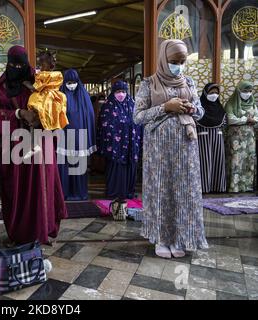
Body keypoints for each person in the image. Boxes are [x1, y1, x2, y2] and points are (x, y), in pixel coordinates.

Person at [133, 39, 208, 259]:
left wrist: (192, 108)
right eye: (174, 61)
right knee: (161, 191)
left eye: (182, 61)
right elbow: (137, 117)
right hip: (159, 150)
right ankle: (161, 239)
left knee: (183, 192)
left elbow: (201, 112)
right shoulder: (149, 83)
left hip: (186, 148)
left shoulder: (189, 82)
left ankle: (179, 238)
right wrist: (166, 107)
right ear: (164, 59)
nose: (178, 65)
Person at [0, 45, 67, 245]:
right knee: (17, 188)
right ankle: (20, 233)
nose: (16, 67)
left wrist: (41, 117)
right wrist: (19, 114)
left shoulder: (40, 80)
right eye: (12, 64)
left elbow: (56, 103)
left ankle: (43, 229)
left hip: (40, 142)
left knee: (42, 186)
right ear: (7, 64)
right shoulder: (0, 89)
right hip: (14, 145)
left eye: (20, 64)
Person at [97, 80, 142, 205]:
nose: (121, 94)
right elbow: (104, 125)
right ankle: (114, 191)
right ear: (113, 92)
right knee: (115, 167)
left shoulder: (132, 104)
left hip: (130, 145)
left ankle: (129, 191)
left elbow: (138, 122)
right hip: (114, 146)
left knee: (129, 167)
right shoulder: (108, 105)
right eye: (118, 91)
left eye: (123, 91)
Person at [58, 69, 96, 201]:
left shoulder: (84, 96)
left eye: (74, 82)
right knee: (64, 166)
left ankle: (79, 193)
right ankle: (64, 193)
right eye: (68, 82)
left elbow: (90, 117)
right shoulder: (59, 96)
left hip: (80, 138)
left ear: (78, 82)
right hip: (63, 138)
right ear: (64, 83)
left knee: (79, 167)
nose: (71, 85)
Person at [24, 50, 68, 158]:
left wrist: (26, 83)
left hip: (44, 97)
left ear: (48, 64)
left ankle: (34, 144)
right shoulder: (57, 74)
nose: (39, 66)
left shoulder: (43, 75)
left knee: (36, 116)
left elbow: (36, 87)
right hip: (54, 97)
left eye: (41, 63)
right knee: (52, 117)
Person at [225, 80, 257, 193]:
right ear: (238, 91)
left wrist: (253, 120)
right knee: (236, 161)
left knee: (249, 160)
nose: (247, 93)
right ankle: (235, 187)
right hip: (235, 139)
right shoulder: (231, 103)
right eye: (244, 90)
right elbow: (230, 119)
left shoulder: (253, 104)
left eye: (249, 91)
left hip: (249, 139)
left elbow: (257, 118)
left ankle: (247, 186)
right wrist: (246, 120)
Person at [196, 83, 227, 193]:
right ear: (205, 93)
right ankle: (204, 188)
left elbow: (224, 122)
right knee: (205, 162)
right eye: (211, 92)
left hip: (217, 138)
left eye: (216, 93)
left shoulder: (220, 108)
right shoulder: (199, 107)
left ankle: (218, 187)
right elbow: (195, 120)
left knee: (217, 161)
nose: (214, 95)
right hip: (203, 138)